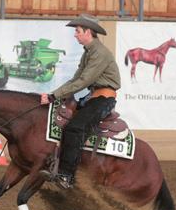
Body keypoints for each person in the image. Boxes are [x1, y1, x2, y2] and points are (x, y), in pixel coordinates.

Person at [40, 13, 121, 189]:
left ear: (88, 32)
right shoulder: (89, 53)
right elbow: (76, 79)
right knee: (68, 124)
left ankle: (66, 176)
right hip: (93, 97)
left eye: (77, 31)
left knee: (74, 127)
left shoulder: (99, 53)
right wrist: (55, 94)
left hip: (103, 99)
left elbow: (83, 81)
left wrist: (55, 96)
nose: (75, 34)